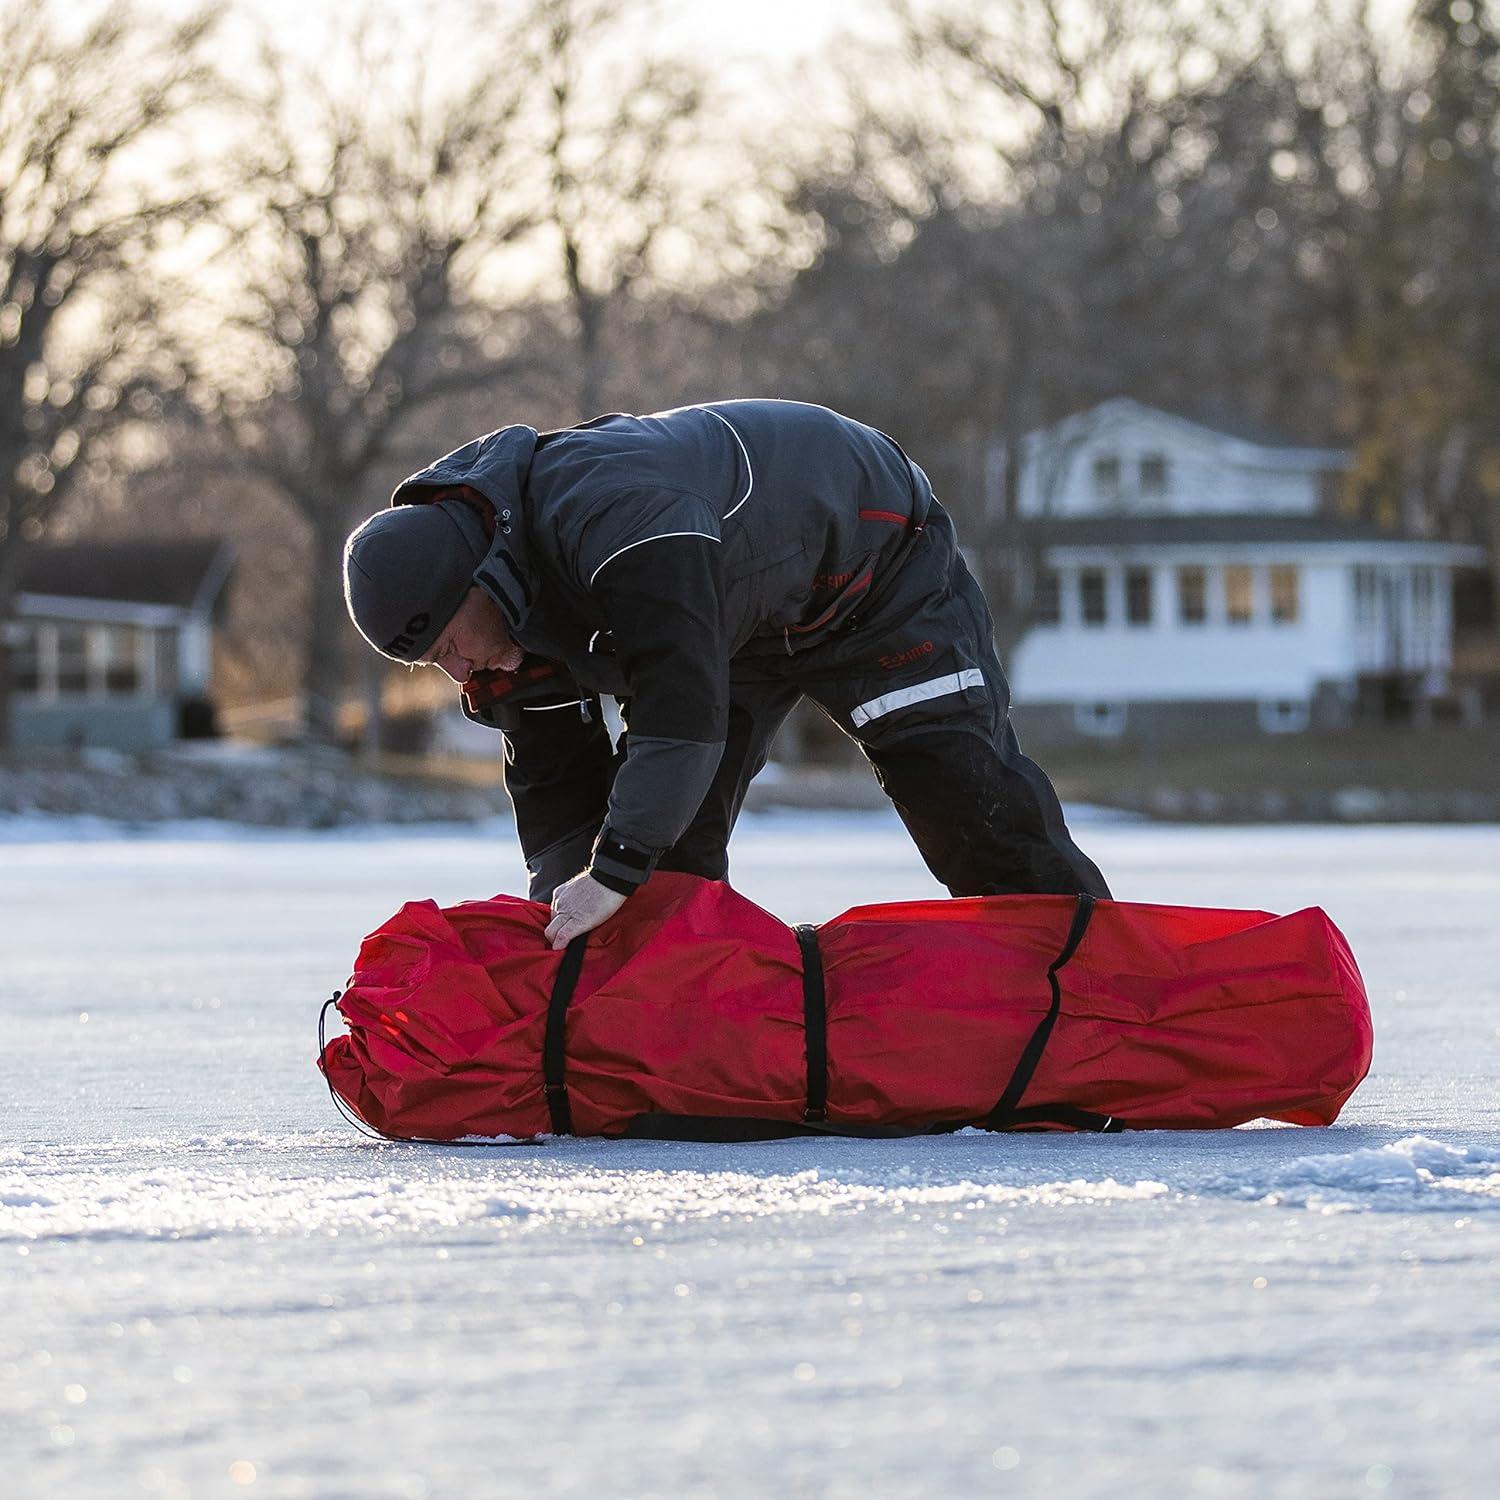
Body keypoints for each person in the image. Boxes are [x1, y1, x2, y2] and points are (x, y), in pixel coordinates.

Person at [343, 399, 1110, 948]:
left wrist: (609, 871)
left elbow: (680, 713)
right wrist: (564, 915)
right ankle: (674, 1048)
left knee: (966, 801)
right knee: (662, 870)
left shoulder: (616, 511)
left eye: (446, 645)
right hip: (736, 617)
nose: (455, 670)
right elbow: (554, 789)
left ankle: (1102, 995)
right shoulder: (502, 621)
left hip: (870, 568)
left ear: (478, 585)